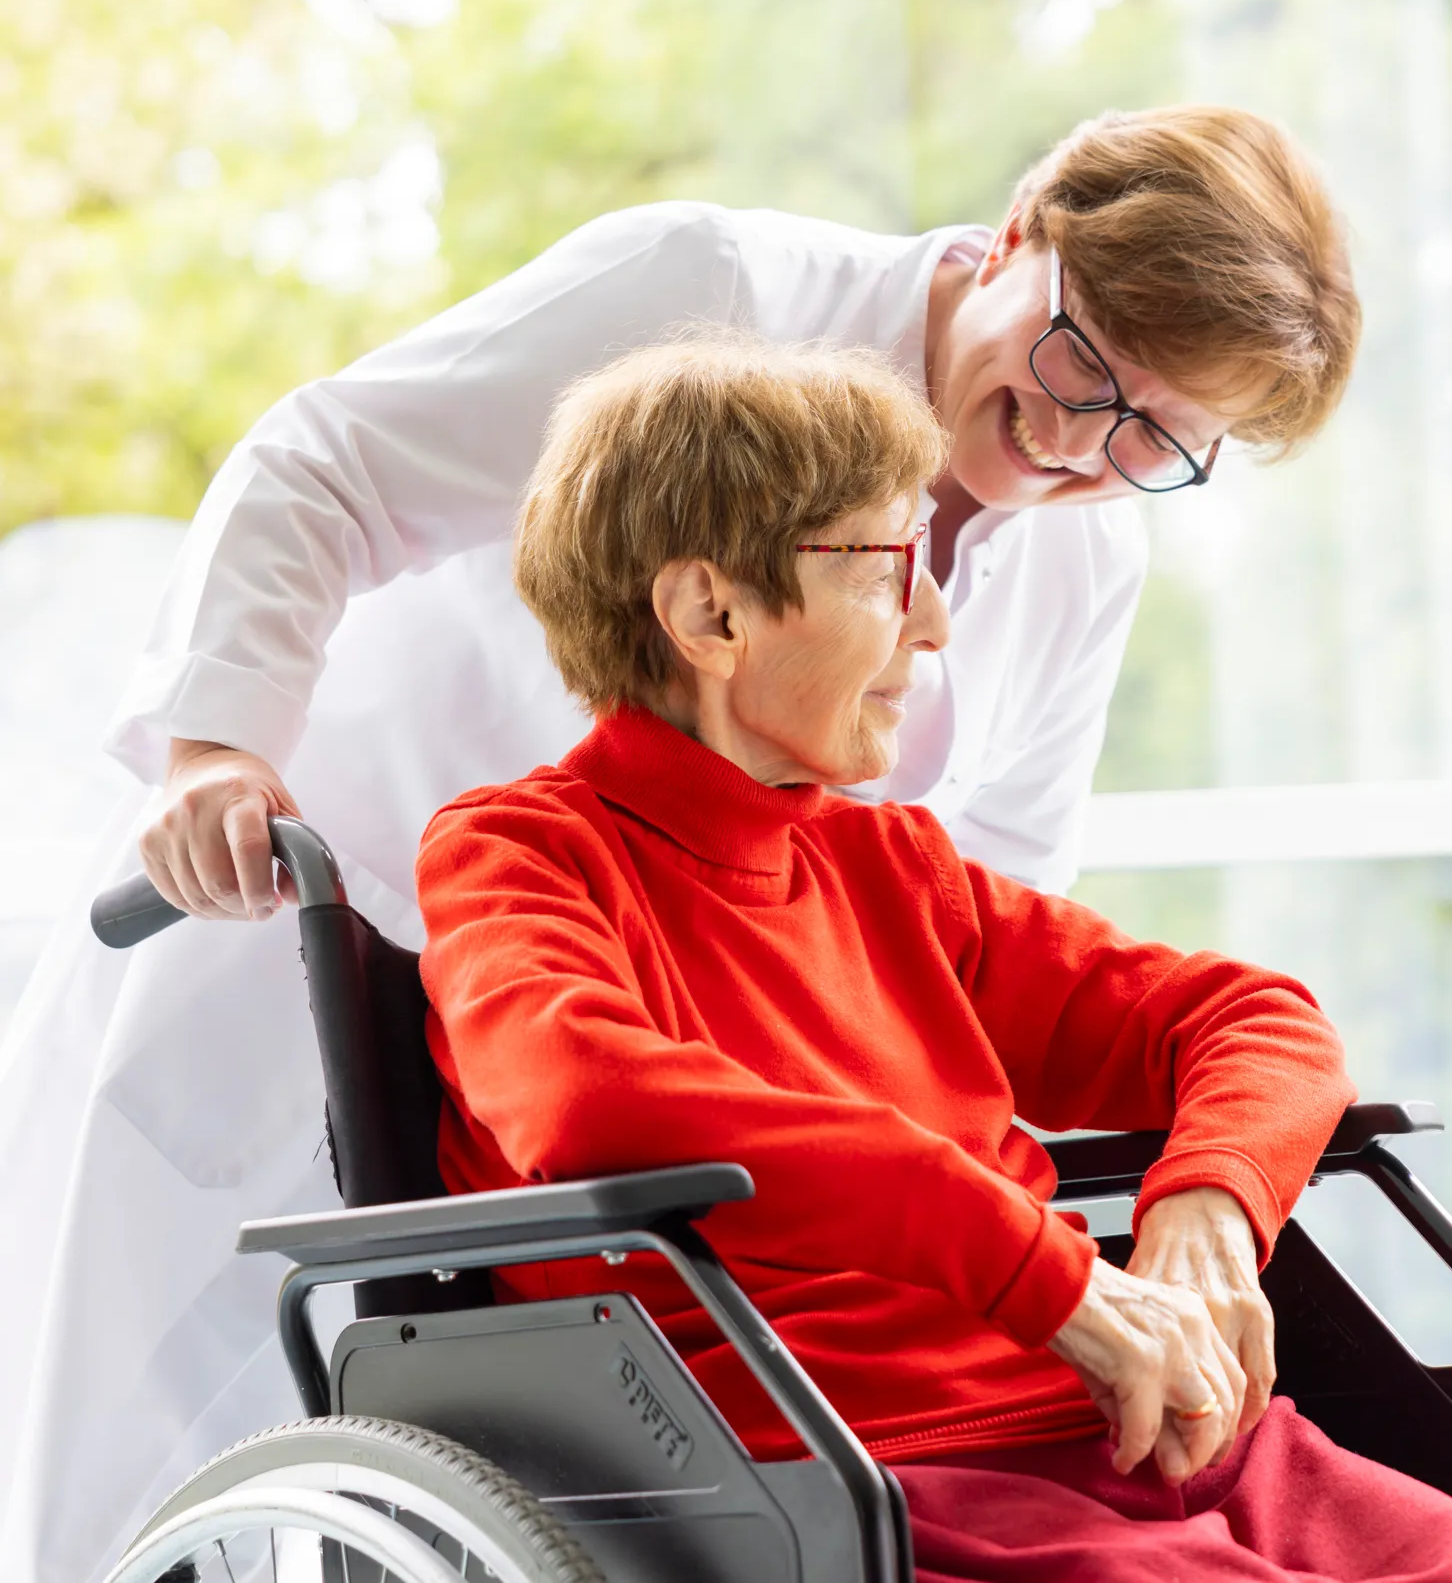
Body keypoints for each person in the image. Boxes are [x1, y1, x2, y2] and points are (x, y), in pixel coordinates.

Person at [0, 108, 1360, 1583]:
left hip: (796, 1188)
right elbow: (331, 461)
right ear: (1020, 234)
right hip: (340, 924)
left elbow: (1010, 907)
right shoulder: (700, 289)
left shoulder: (1068, 585)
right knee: (122, 1450)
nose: (1086, 442)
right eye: (1086, 363)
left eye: (1163, 433)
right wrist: (220, 744)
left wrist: (1162, 1209)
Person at [417, 336, 1447, 1579]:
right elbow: (591, 1100)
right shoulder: (520, 855)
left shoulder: (896, 871)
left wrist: (1206, 1214)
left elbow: (1252, 1019)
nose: (937, 622)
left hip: (1162, 1432)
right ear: (711, 613)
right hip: (871, 1482)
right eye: (888, 567)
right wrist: (1038, 1272)